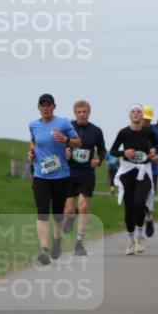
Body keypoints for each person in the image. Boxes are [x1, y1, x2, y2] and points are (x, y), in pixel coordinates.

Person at [27, 94, 80, 264]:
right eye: (42, 105)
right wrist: (31, 152)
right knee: (42, 212)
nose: (45, 108)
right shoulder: (33, 125)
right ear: (39, 108)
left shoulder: (63, 123)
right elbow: (33, 142)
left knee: (58, 214)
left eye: (48, 105)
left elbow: (78, 142)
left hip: (61, 175)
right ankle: (44, 249)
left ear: (53, 107)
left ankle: (57, 240)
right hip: (41, 175)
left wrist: (65, 140)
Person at [110, 104, 158, 255]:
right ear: (129, 115)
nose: (136, 114)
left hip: (144, 171)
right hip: (127, 171)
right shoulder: (124, 132)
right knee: (129, 207)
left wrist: (154, 152)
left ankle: (140, 236)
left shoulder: (148, 132)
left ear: (142, 115)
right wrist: (124, 152)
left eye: (139, 111)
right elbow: (113, 151)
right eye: (133, 111)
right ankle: (131, 240)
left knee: (139, 203)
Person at [62, 100, 106, 256]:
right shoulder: (67, 128)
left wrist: (98, 160)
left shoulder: (96, 131)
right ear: (75, 113)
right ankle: (70, 218)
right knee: (68, 209)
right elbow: (58, 145)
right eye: (79, 112)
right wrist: (65, 152)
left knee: (84, 207)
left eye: (84, 111)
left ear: (89, 112)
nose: (82, 114)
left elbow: (102, 150)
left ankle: (79, 243)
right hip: (68, 173)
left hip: (87, 173)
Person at [141, 105, 158, 238]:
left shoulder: (155, 131)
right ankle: (141, 223)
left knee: (149, 199)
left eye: (148, 120)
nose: (146, 122)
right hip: (136, 169)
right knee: (138, 200)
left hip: (152, 170)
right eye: (144, 119)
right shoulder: (133, 130)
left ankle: (149, 219)